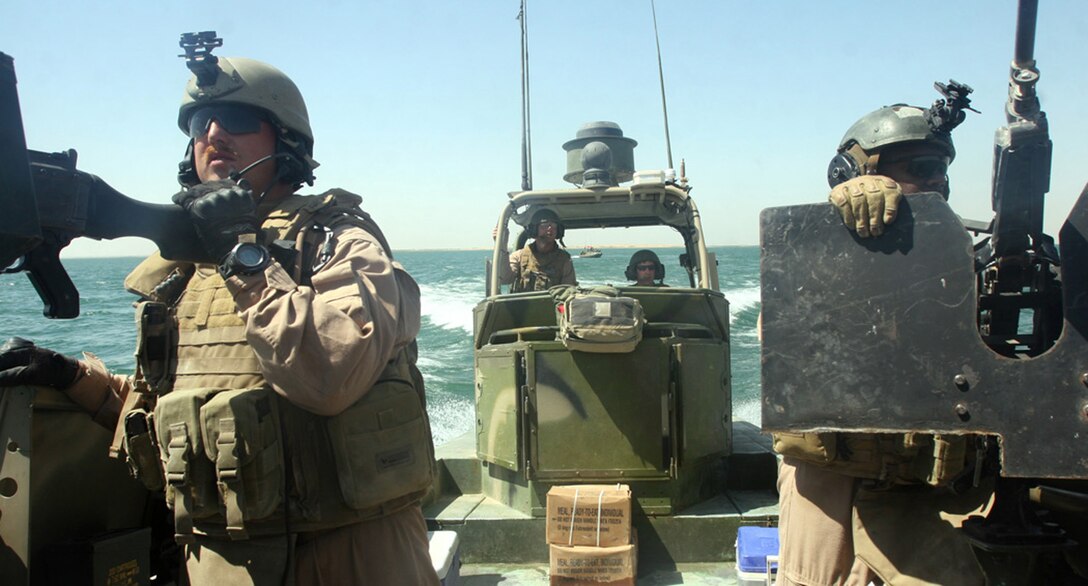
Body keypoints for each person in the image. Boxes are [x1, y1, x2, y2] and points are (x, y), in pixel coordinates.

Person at [0, 54, 438, 585]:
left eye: (236, 120)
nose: (213, 135)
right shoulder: (182, 272)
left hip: (349, 554)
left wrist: (241, 255)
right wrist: (72, 379)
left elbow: (332, 375)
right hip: (218, 559)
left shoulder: (336, 241)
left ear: (285, 140)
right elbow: (172, 413)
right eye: (199, 124)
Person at [774, 103, 992, 586]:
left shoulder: (959, 256)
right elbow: (790, 339)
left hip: (925, 486)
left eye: (941, 169)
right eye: (920, 168)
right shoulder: (820, 251)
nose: (937, 181)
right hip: (833, 480)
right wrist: (841, 234)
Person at [498, 208, 577, 292]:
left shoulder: (564, 260)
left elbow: (568, 292)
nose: (550, 228)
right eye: (545, 225)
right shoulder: (519, 256)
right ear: (534, 229)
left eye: (554, 225)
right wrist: (502, 243)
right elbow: (505, 279)